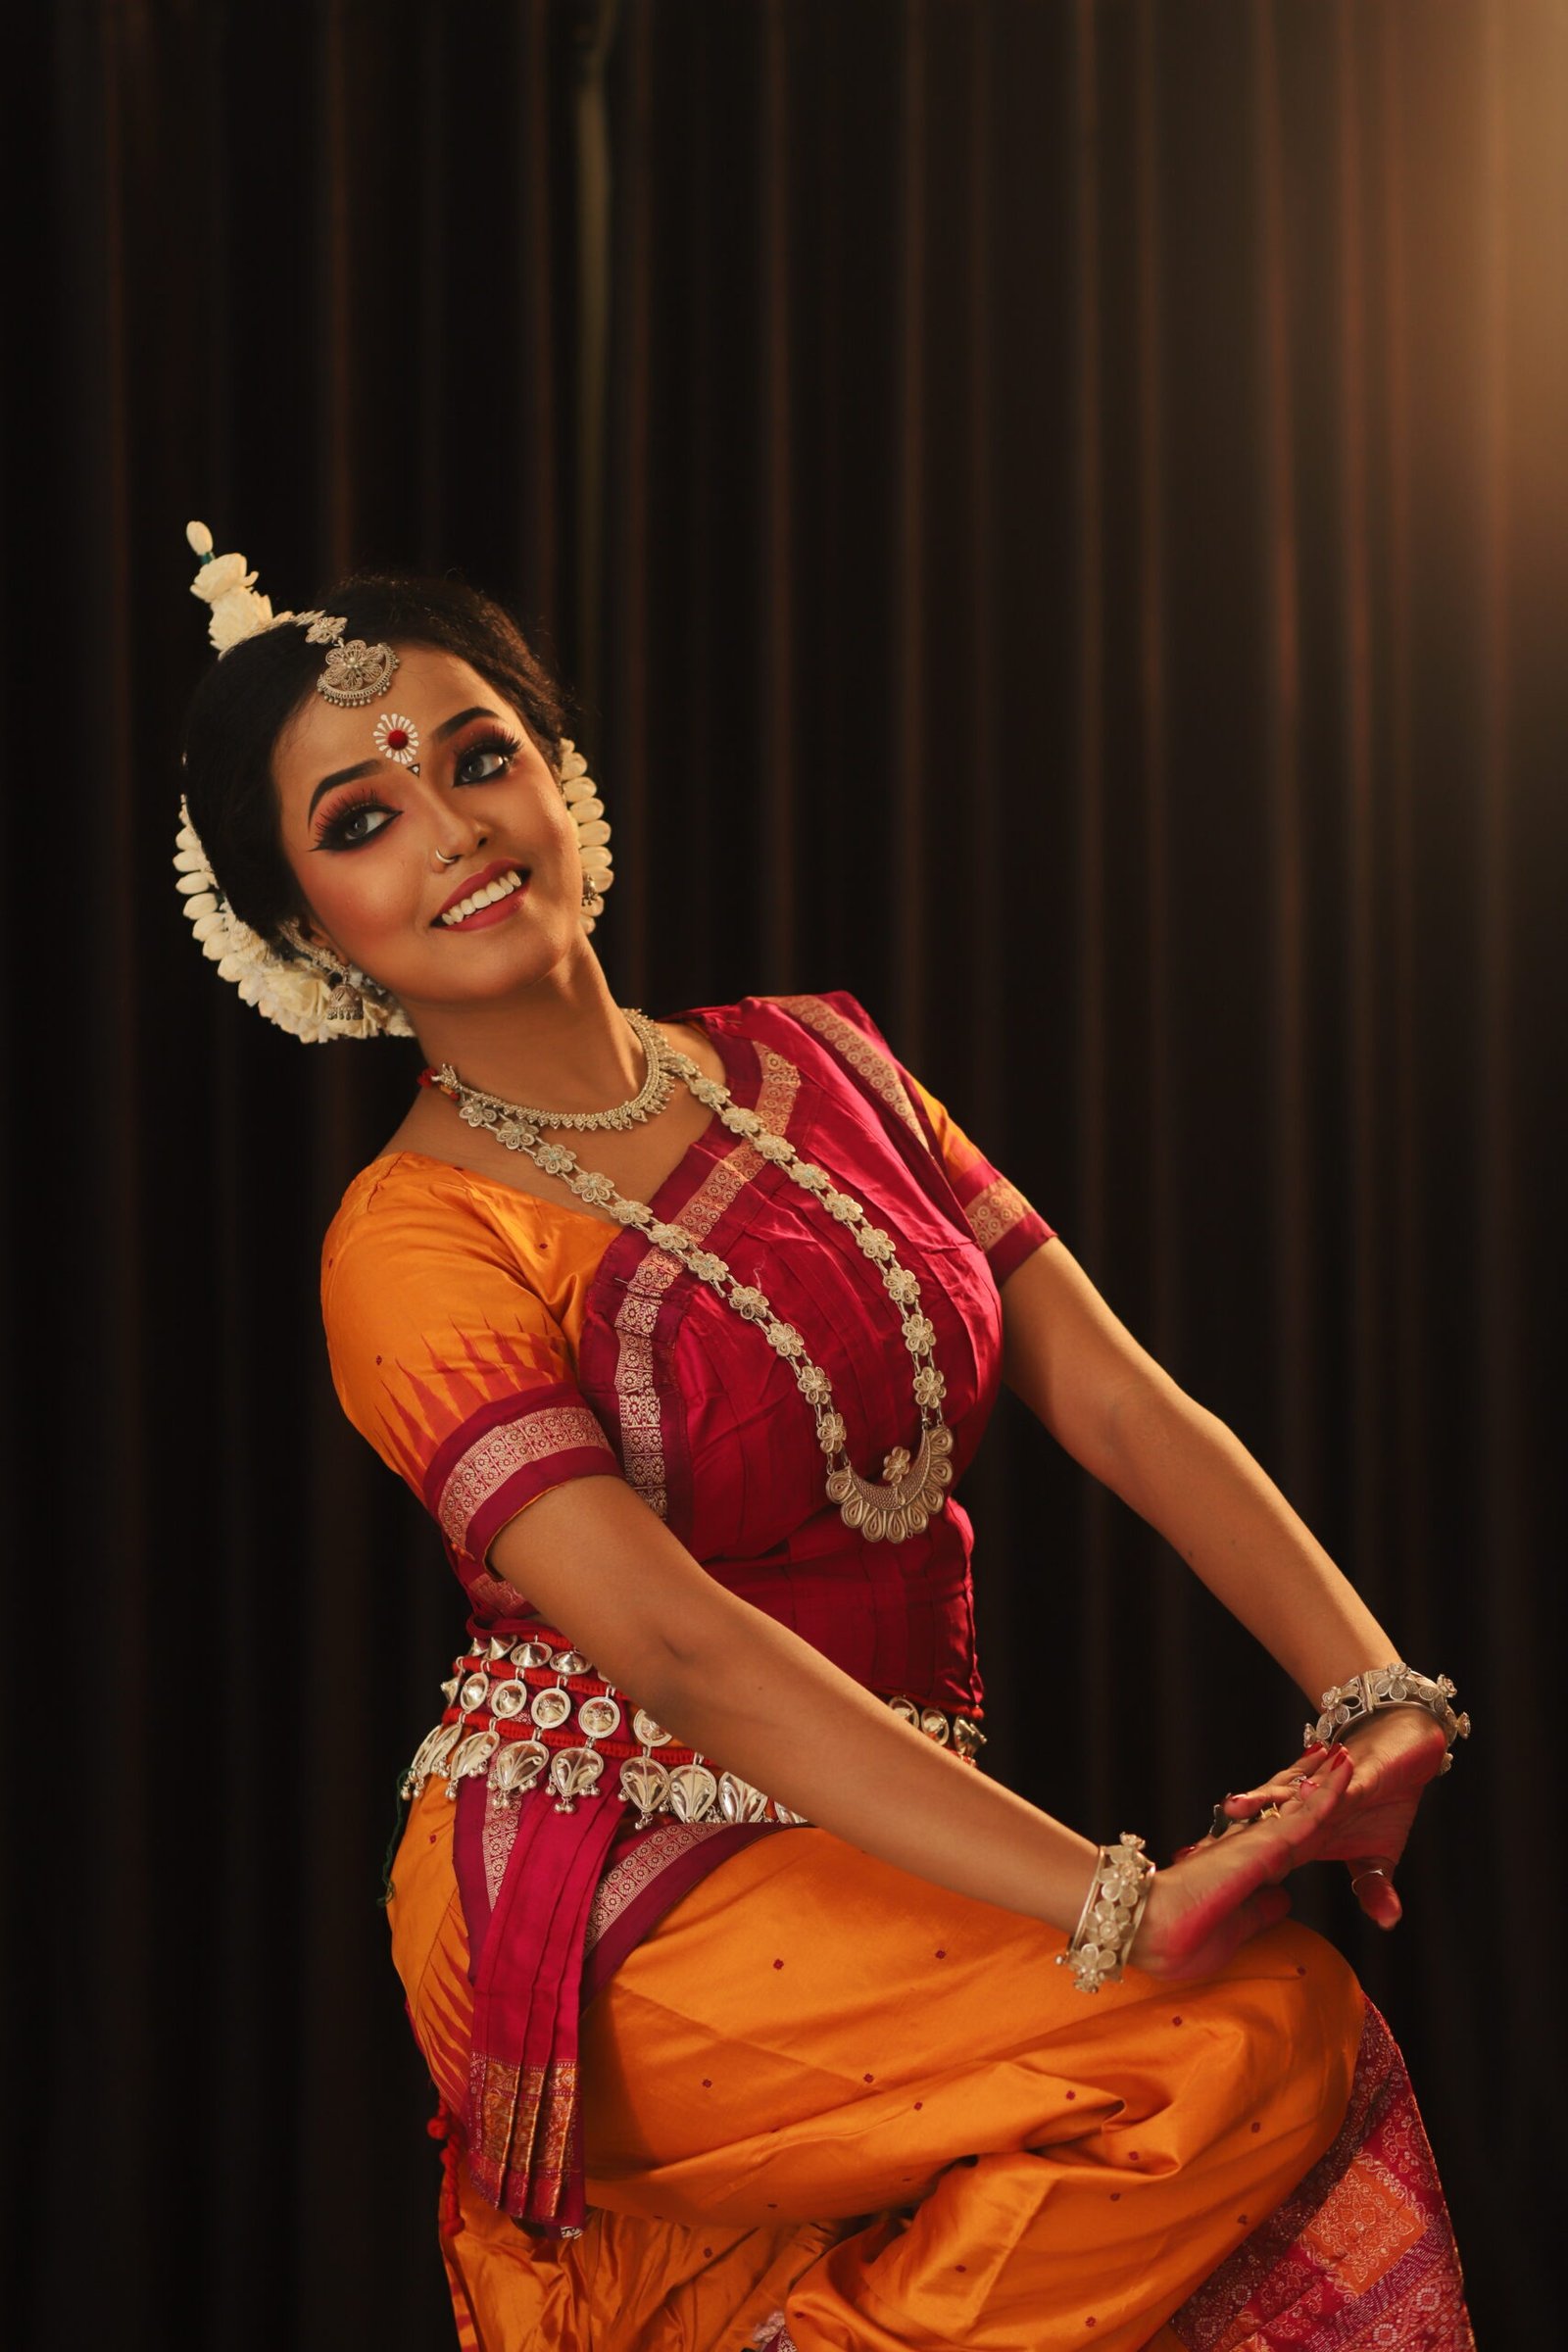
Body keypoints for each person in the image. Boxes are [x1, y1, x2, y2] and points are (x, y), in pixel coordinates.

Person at [174, 523, 1476, 2350]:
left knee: (1249, 2048)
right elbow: (678, 1646)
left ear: (562, 778)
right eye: (361, 820)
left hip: (875, 1832)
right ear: (306, 931)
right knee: (1245, 2039)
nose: (454, 827)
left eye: (481, 757)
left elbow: (1113, 1395)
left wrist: (1374, 1697)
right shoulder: (410, 1242)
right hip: (599, 1886)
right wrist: (1118, 1903)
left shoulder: (823, 1060)